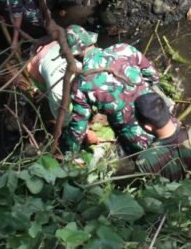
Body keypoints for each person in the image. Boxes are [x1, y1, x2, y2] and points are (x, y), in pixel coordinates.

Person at [62, 25, 159, 154]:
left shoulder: (80, 84)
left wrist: (67, 152)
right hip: (160, 115)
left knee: (152, 166)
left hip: (136, 138)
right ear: (91, 40)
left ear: (72, 55)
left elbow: (78, 128)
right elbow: (153, 77)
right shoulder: (124, 49)